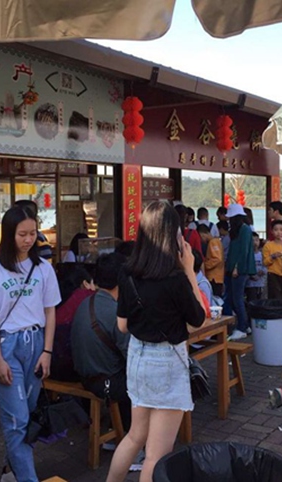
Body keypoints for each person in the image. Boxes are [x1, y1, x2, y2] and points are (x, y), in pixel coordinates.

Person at [107, 201, 206, 482]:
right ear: (173, 234)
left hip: (137, 357)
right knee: (156, 454)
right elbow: (198, 319)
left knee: (134, 436)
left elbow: (122, 326)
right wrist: (189, 269)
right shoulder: (175, 278)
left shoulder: (128, 272)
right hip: (166, 362)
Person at [0, 206, 60, 482]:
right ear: (9, 234)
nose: (28, 239)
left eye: (33, 233)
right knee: (17, 421)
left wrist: (47, 351)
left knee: (26, 414)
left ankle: (9, 471)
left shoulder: (44, 268)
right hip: (6, 344)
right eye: (22, 234)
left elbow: (50, 312)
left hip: (36, 343)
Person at [71, 253, 131, 434]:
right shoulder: (116, 312)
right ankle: (129, 434)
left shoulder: (86, 302)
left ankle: (119, 428)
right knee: (149, 379)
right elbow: (132, 357)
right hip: (106, 383)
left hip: (85, 376)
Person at [51, 264, 95, 382]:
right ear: (85, 283)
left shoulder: (57, 298)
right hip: (76, 368)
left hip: (51, 364)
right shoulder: (87, 297)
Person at [224, 203, 256, 340]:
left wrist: (237, 267)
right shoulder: (240, 229)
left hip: (239, 269)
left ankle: (242, 327)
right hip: (234, 268)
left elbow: (244, 251)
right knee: (234, 298)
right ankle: (245, 324)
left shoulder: (244, 229)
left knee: (237, 299)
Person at [263, 220, 282, 300]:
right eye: (276, 230)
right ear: (272, 232)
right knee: (275, 297)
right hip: (273, 274)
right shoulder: (268, 246)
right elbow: (265, 262)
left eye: (281, 229)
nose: (279, 232)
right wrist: (272, 257)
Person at [197, 224, 224, 297]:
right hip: (218, 277)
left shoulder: (213, 242)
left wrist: (205, 265)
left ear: (202, 234)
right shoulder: (217, 241)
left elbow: (217, 258)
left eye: (200, 237)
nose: (201, 240)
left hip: (214, 278)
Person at [246, 232, 267, 302]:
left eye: (256, 240)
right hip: (250, 284)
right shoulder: (247, 255)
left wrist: (263, 271)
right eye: (252, 240)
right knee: (252, 300)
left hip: (260, 283)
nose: (255, 243)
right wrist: (251, 275)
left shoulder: (262, 254)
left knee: (261, 300)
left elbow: (266, 266)